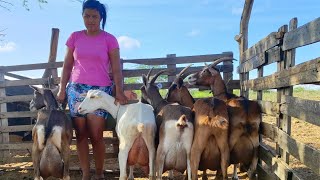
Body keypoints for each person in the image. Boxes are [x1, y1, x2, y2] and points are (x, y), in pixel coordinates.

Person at [56, 0, 128, 179]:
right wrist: (62, 89)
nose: (90, 20)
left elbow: (116, 69)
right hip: (76, 89)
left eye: (94, 16)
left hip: (100, 92)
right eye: (87, 16)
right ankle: (86, 174)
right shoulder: (74, 37)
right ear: (82, 16)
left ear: (101, 17)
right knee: (80, 134)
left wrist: (119, 90)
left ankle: (100, 173)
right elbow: (66, 66)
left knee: (96, 135)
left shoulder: (109, 39)